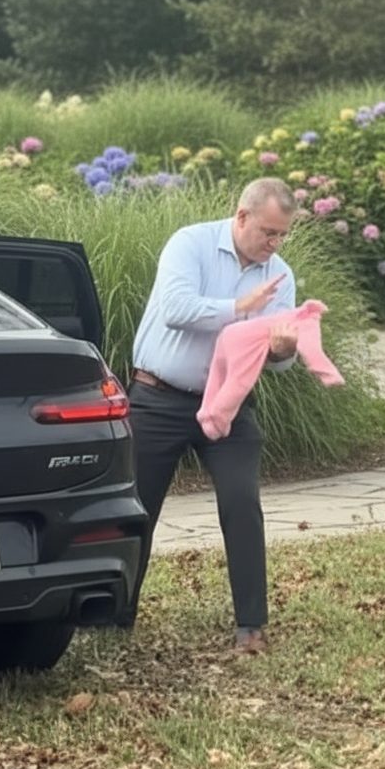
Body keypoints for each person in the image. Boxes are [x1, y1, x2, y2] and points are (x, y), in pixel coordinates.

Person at [128, 177, 300, 654]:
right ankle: (114, 616)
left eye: (282, 235)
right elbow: (176, 310)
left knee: (242, 502)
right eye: (268, 232)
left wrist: (283, 349)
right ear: (242, 217)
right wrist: (240, 308)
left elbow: (279, 360)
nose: (275, 243)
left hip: (228, 404)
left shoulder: (280, 275)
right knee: (136, 508)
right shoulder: (191, 244)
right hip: (158, 397)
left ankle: (251, 627)